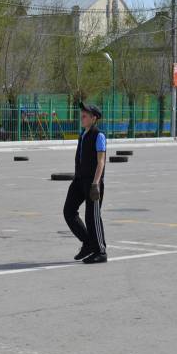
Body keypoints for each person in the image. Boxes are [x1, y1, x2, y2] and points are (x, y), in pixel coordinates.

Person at [63, 102, 108, 264]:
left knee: (92, 217)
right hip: (79, 180)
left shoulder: (99, 136)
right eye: (81, 115)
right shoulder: (83, 134)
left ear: (93, 118)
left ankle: (100, 251)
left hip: (92, 182)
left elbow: (101, 161)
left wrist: (96, 184)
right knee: (68, 211)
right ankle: (88, 243)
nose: (81, 117)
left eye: (85, 115)